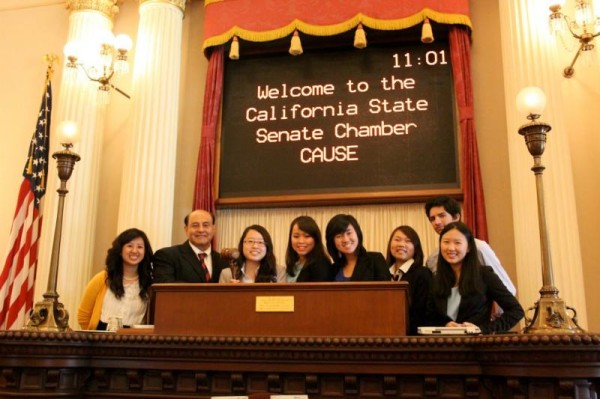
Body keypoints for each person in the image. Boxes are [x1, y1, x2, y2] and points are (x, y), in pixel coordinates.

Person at [426, 222, 524, 334]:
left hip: (477, 346)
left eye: (457, 243)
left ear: (468, 247)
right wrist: (446, 324)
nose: (451, 248)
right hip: (443, 347)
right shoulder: (436, 278)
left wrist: (483, 330)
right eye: (446, 242)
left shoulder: (485, 275)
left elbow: (516, 311)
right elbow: (429, 315)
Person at [424, 196, 516, 295]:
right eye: (432, 219)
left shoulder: (479, 247)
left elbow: (507, 289)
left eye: (442, 215)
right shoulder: (433, 257)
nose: (436, 222)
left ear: (456, 217)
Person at [77, 228, 153, 330]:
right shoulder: (103, 278)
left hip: (134, 340)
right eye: (129, 246)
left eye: (140, 247)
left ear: (145, 252)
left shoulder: (149, 283)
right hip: (101, 338)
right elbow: (83, 315)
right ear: (120, 250)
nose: (134, 251)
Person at [153, 209, 228, 283]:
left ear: (213, 229)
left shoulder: (224, 261)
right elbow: (165, 290)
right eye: (195, 225)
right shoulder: (167, 256)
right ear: (186, 230)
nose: (201, 230)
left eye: (205, 225)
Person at [386, 225, 432, 335]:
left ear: (416, 247)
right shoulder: (384, 273)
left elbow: (422, 313)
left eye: (408, 241)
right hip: (386, 336)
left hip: (412, 339)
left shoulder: (423, 274)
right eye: (397, 240)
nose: (401, 244)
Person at [325, 214, 390, 281]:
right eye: (339, 236)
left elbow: (389, 290)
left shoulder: (376, 260)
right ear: (332, 241)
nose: (345, 239)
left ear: (357, 233)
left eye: (349, 233)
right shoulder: (332, 270)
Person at [219, 224, 285, 283]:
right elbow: (219, 297)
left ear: (267, 247)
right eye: (250, 241)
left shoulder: (278, 272)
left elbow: (283, 296)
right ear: (242, 244)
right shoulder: (227, 274)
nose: (255, 246)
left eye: (260, 242)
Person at [284, 216, 331, 282]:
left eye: (307, 236)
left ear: (315, 238)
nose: (301, 241)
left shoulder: (320, 265)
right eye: (296, 236)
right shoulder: (294, 264)